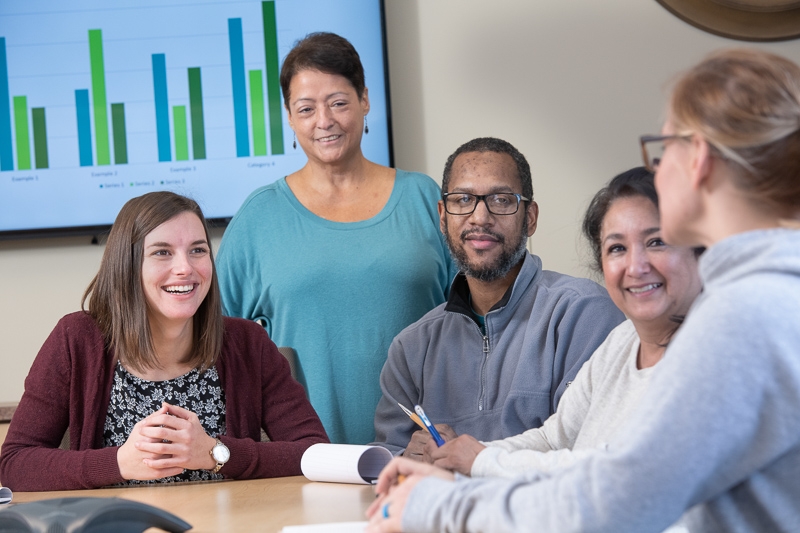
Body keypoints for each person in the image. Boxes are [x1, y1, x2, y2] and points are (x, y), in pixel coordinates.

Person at [366, 49, 800, 533]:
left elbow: (619, 497)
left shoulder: (744, 318)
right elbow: (577, 452)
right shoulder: (765, 301)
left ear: (697, 159)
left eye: (664, 149)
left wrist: (435, 508)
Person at [215, 32, 455, 445]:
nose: (323, 121)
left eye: (339, 103)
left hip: (425, 455)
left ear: (364, 100)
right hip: (304, 461)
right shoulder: (259, 217)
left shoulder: (425, 198)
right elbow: (213, 341)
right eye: (305, 108)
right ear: (290, 117)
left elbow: (479, 322)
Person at [0, 192, 328, 492]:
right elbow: (14, 464)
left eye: (197, 250)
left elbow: (314, 452)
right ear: (129, 267)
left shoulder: (246, 343)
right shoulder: (76, 340)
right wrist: (119, 463)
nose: (185, 268)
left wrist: (214, 452)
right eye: (162, 252)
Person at [425, 167, 703, 478]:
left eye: (656, 242)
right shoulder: (623, 341)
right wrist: (466, 456)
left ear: (700, 249)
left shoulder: (713, 353)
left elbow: (622, 471)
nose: (635, 267)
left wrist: (481, 462)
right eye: (617, 249)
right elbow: (553, 439)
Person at [373, 137, 625, 458]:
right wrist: (405, 459)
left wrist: (473, 458)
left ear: (530, 217)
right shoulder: (411, 349)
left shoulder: (583, 314)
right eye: (463, 199)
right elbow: (382, 466)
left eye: (502, 200)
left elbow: (591, 453)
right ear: (442, 216)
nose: (480, 217)